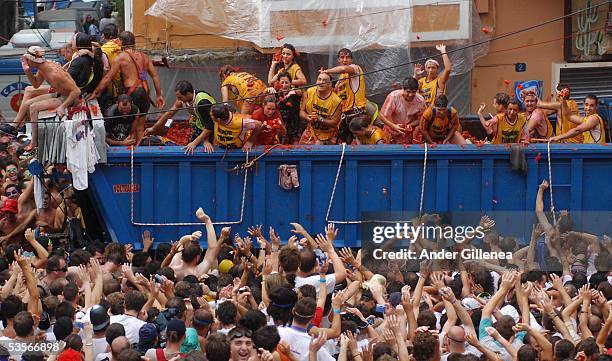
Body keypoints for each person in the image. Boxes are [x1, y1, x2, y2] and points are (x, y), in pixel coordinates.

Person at [88, 31, 165, 144]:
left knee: (130, 124)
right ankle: (138, 150)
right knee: (140, 125)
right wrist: (159, 95)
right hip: (144, 92)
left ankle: (130, 150)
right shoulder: (144, 56)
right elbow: (155, 76)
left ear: (121, 42)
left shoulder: (121, 57)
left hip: (131, 93)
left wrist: (95, 92)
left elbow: (108, 77)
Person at [2, 47, 80, 149]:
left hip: (69, 99)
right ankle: (13, 127)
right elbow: (36, 84)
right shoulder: (42, 68)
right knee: (26, 103)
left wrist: (62, 106)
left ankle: (34, 142)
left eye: (27, 60)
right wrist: (27, 70)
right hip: (58, 93)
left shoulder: (54, 73)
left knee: (33, 107)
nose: (26, 61)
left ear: (33, 60)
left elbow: (76, 91)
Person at [144, 80, 216, 154]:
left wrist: (201, 142)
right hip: (200, 126)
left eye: (180, 97)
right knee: (189, 148)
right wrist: (153, 128)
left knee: (200, 150)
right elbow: (169, 113)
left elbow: (210, 125)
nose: (178, 100)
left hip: (212, 129)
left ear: (187, 94)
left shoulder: (202, 102)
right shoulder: (183, 100)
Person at [322, 48, 367, 143]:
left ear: (352, 60)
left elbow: (343, 69)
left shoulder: (355, 69)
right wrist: (324, 83)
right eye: (342, 57)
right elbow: (335, 93)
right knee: (343, 144)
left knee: (358, 145)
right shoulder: (341, 78)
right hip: (345, 115)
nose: (345, 60)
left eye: (348, 57)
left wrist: (327, 71)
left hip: (357, 114)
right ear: (338, 60)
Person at [299, 72, 342, 145]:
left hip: (327, 136)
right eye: (319, 79)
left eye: (325, 80)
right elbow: (301, 112)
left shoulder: (336, 101)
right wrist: (307, 117)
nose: (321, 82)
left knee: (318, 147)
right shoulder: (309, 92)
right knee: (299, 153)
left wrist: (320, 119)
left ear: (330, 84)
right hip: (310, 132)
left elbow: (335, 123)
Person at [380, 77, 426, 144]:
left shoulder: (420, 100)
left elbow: (421, 119)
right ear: (403, 89)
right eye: (408, 91)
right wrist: (393, 126)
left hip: (407, 133)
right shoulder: (394, 96)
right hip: (391, 130)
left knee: (406, 152)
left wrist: (411, 125)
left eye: (413, 92)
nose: (410, 95)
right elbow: (382, 116)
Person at [276, 71, 303, 144]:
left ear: (290, 83)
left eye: (286, 82)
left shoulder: (294, 93)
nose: (284, 85)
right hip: (280, 125)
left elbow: (300, 93)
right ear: (278, 83)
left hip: (294, 126)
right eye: (282, 82)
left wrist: (295, 90)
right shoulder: (276, 94)